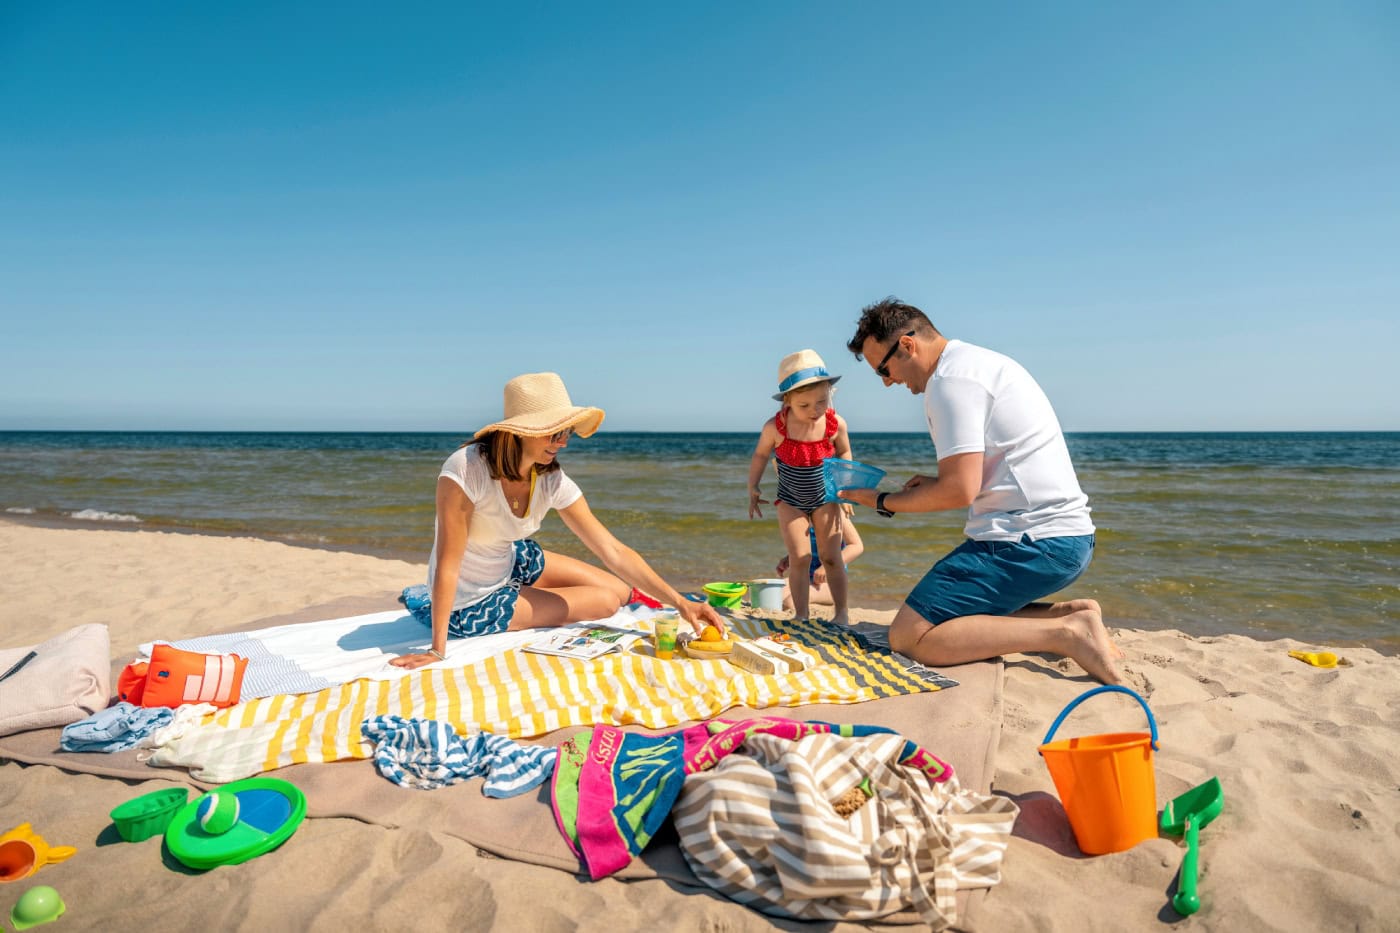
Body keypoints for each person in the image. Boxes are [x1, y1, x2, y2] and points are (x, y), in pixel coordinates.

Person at [839, 298, 1121, 684]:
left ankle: (1065, 634)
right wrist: (936, 483)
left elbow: (960, 491)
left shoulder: (950, 383)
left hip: (1030, 542)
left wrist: (881, 501)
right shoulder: (976, 363)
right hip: (1066, 537)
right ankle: (1070, 615)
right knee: (939, 618)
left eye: (884, 370)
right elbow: (977, 474)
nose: (888, 382)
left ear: (907, 345)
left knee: (909, 636)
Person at [391, 372, 725, 670]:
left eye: (565, 432)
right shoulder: (466, 469)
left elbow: (612, 550)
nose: (564, 441)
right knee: (607, 604)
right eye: (555, 433)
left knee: (621, 590)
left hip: (510, 559)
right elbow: (449, 562)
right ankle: (427, 599)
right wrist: (437, 650)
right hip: (473, 600)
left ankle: (528, 593)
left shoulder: (549, 478)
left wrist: (682, 604)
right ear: (521, 432)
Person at [747, 349, 855, 625]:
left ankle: (841, 612)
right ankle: (801, 614)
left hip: (826, 498)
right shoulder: (775, 427)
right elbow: (760, 455)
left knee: (831, 558)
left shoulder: (834, 424)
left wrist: (844, 491)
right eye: (804, 406)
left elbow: (844, 453)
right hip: (790, 500)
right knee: (801, 557)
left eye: (821, 402)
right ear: (788, 401)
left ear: (830, 393)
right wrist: (753, 487)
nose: (814, 411)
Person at [776, 513, 865, 611]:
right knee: (773, 595)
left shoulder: (836, 512)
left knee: (790, 602)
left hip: (829, 583)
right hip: (804, 579)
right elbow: (806, 547)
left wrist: (827, 567)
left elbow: (856, 546)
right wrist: (789, 558)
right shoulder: (799, 512)